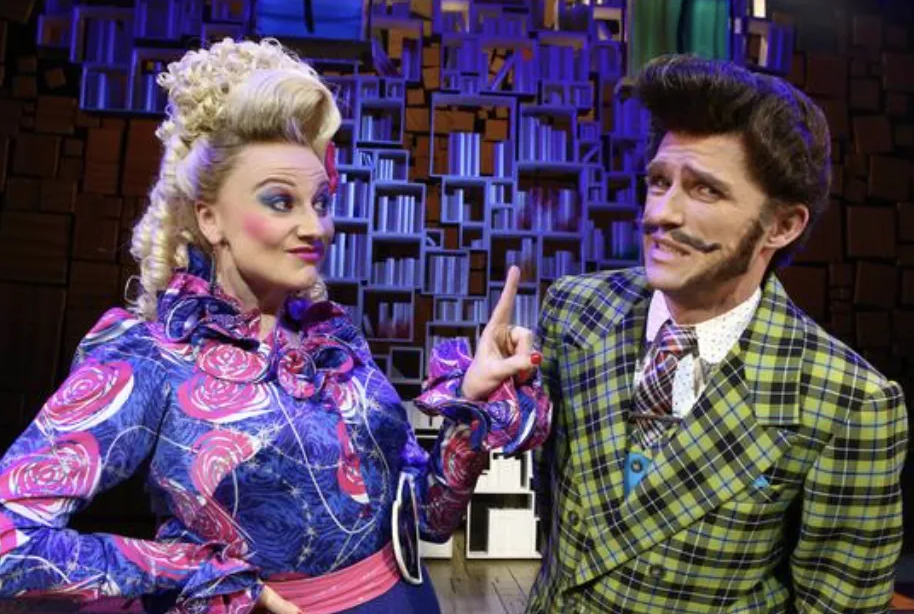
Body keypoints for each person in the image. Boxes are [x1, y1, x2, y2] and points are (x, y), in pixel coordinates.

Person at [0, 38, 550, 614]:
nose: (317, 226)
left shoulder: (331, 343)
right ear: (209, 217)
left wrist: (471, 400)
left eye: (320, 200)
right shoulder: (149, 359)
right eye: (281, 202)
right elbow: (11, 539)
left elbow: (428, 520)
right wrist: (199, 574)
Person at [529, 54, 908, 613]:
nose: (661, 213)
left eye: (704, 191)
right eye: (659, 181)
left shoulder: (850, 402)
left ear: (782, 225)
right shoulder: (574, 310)